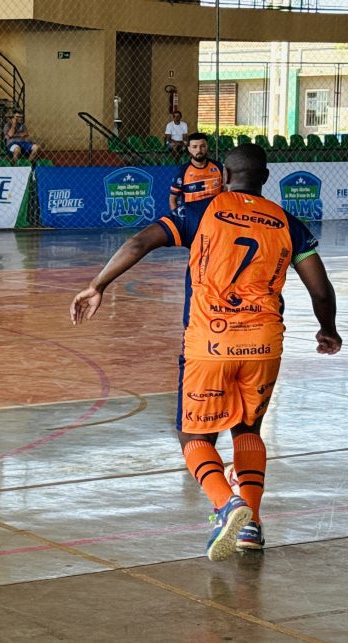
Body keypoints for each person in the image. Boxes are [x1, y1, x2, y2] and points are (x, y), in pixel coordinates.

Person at [70, 144, 340, 562]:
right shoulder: (289, 223)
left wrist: (97, 285)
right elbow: (320, 289)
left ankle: (227, 505)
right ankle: (251, 527)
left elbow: (140, 243)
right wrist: (327, 329)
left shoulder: (202, 211)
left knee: (193, 436)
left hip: (209, 343)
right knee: (248, 430)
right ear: (266, 178)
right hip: (264, 343)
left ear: (225, 176)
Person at [168, 132, 223, 211]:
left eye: (202, 146)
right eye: (194, 147)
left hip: (214, 214)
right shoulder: (182, 171)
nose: (199, 150)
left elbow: (226, 190)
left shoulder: (218, 167)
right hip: (192, 216)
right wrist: (177, 216)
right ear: (189, 149)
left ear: (207, 147)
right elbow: (172, 199)